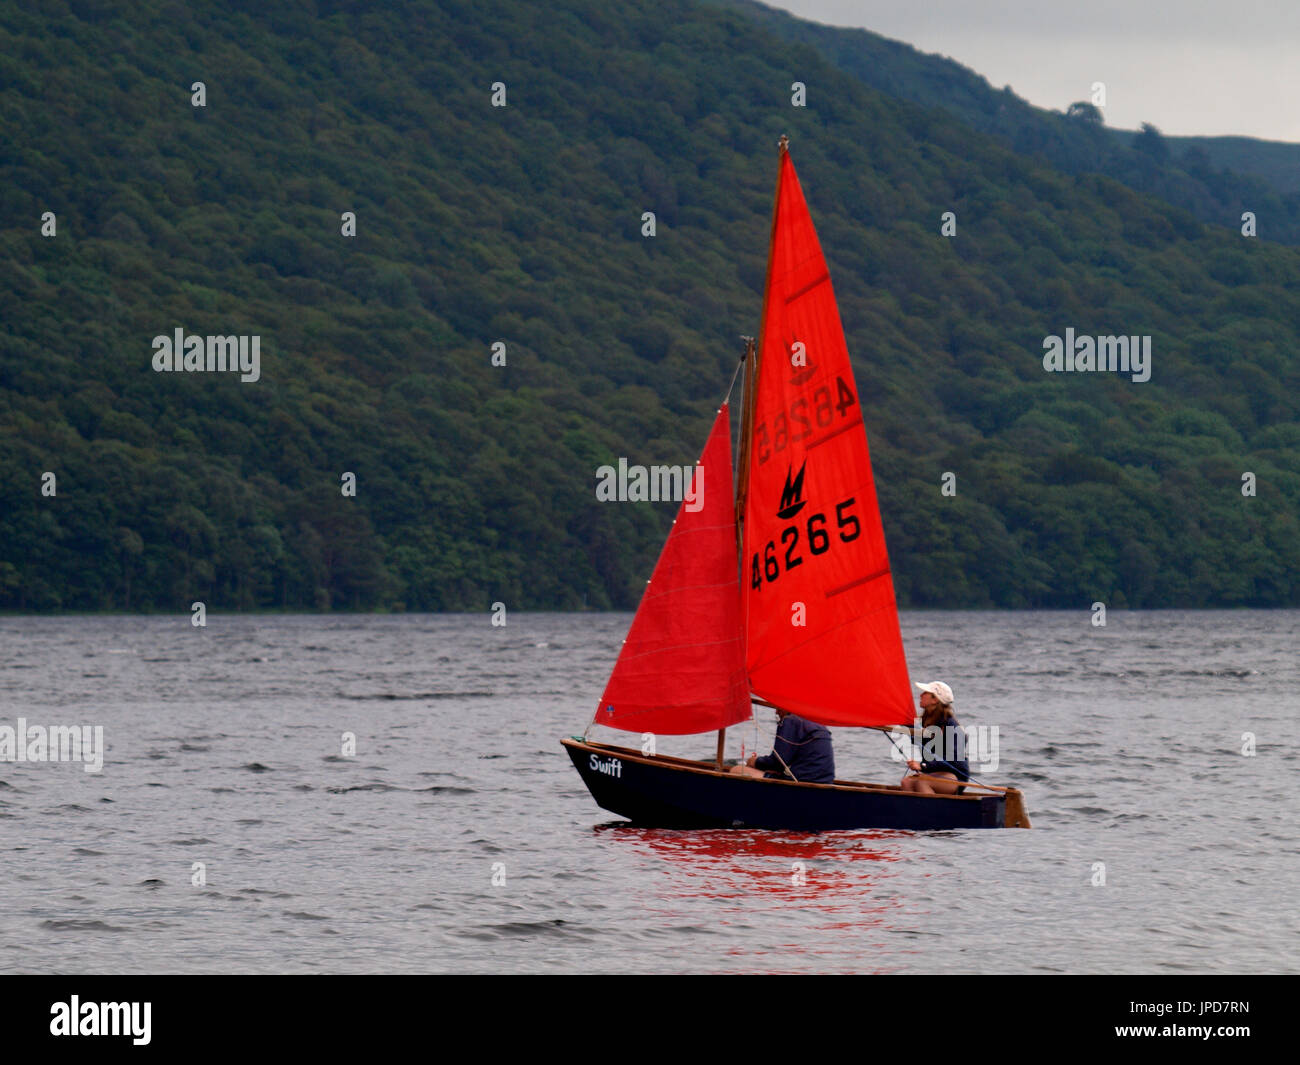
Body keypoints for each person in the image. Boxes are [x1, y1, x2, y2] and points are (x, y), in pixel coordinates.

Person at [730, 707, 835, 784]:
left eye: (778, 707)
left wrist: (754, 762)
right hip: (825, 782)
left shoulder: (791, 720)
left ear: (786, 706)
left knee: (737, 770)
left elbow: (778, 762)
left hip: (802, 782)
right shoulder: (817, 723)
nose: (776, 712)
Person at [900, 681, 969, 795]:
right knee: (906, 782)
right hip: (934, 773)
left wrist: (922, 765)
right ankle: (914, 811)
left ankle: (931, 811)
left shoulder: (951, 726)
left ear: (935, 700)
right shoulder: (927, 722)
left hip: (955, 777)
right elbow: (916, 733)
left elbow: (954, 760)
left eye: (925, 693)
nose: (921, 695)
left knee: (923, 783)